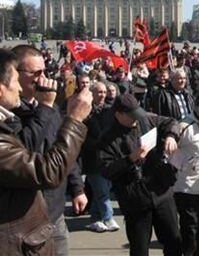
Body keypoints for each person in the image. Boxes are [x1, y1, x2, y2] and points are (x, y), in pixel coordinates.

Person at [0, 48, 93, 255]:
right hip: (24, 222)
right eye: (35, 73)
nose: (43, 79)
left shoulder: (49, 108)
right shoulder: (11, 115)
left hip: (54, 211)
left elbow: (62, 147)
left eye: (45, 71)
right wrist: (71, 118)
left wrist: (77, 187)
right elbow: (29, 154)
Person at [99, 94, 182, 256]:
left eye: (137, 114)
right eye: (131, 116)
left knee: (173, 240)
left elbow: (171, 122)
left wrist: (171, 136)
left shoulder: (145, 121)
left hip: (161, 191)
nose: (136, 119)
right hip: (135, 200)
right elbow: (106, 169)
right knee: (140, 248)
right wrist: (131, 158)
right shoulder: (107, 137)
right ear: (118, 115)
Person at [173, 93, 199, 256]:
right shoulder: (185, 126)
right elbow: (169, 151)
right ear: (197, 108)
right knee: (189, 231)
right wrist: (181, 165)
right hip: (186, 189)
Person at [82, 81, 119, 233]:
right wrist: (97, 142)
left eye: (104, 92)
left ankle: (95, 219)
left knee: (103, 188)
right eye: (99, 92)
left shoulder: (110, 110)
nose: (103, 95)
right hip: (92, 157)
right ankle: (108, 217)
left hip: (108, 156)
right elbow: (83, 134)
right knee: (101, 189)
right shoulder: (85, 110)